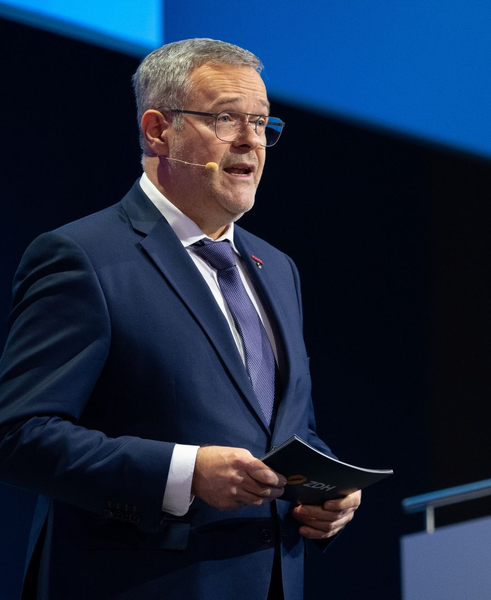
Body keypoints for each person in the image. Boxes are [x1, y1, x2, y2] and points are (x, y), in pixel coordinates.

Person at [0, 38, 360, 600]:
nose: (250, 141)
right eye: (225, 118)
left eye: (262, 123)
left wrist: (327, 488)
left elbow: (287, 429)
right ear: (157, 130)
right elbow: (20, 435)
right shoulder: (83, 256)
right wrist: (185, 472)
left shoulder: (277, 269)